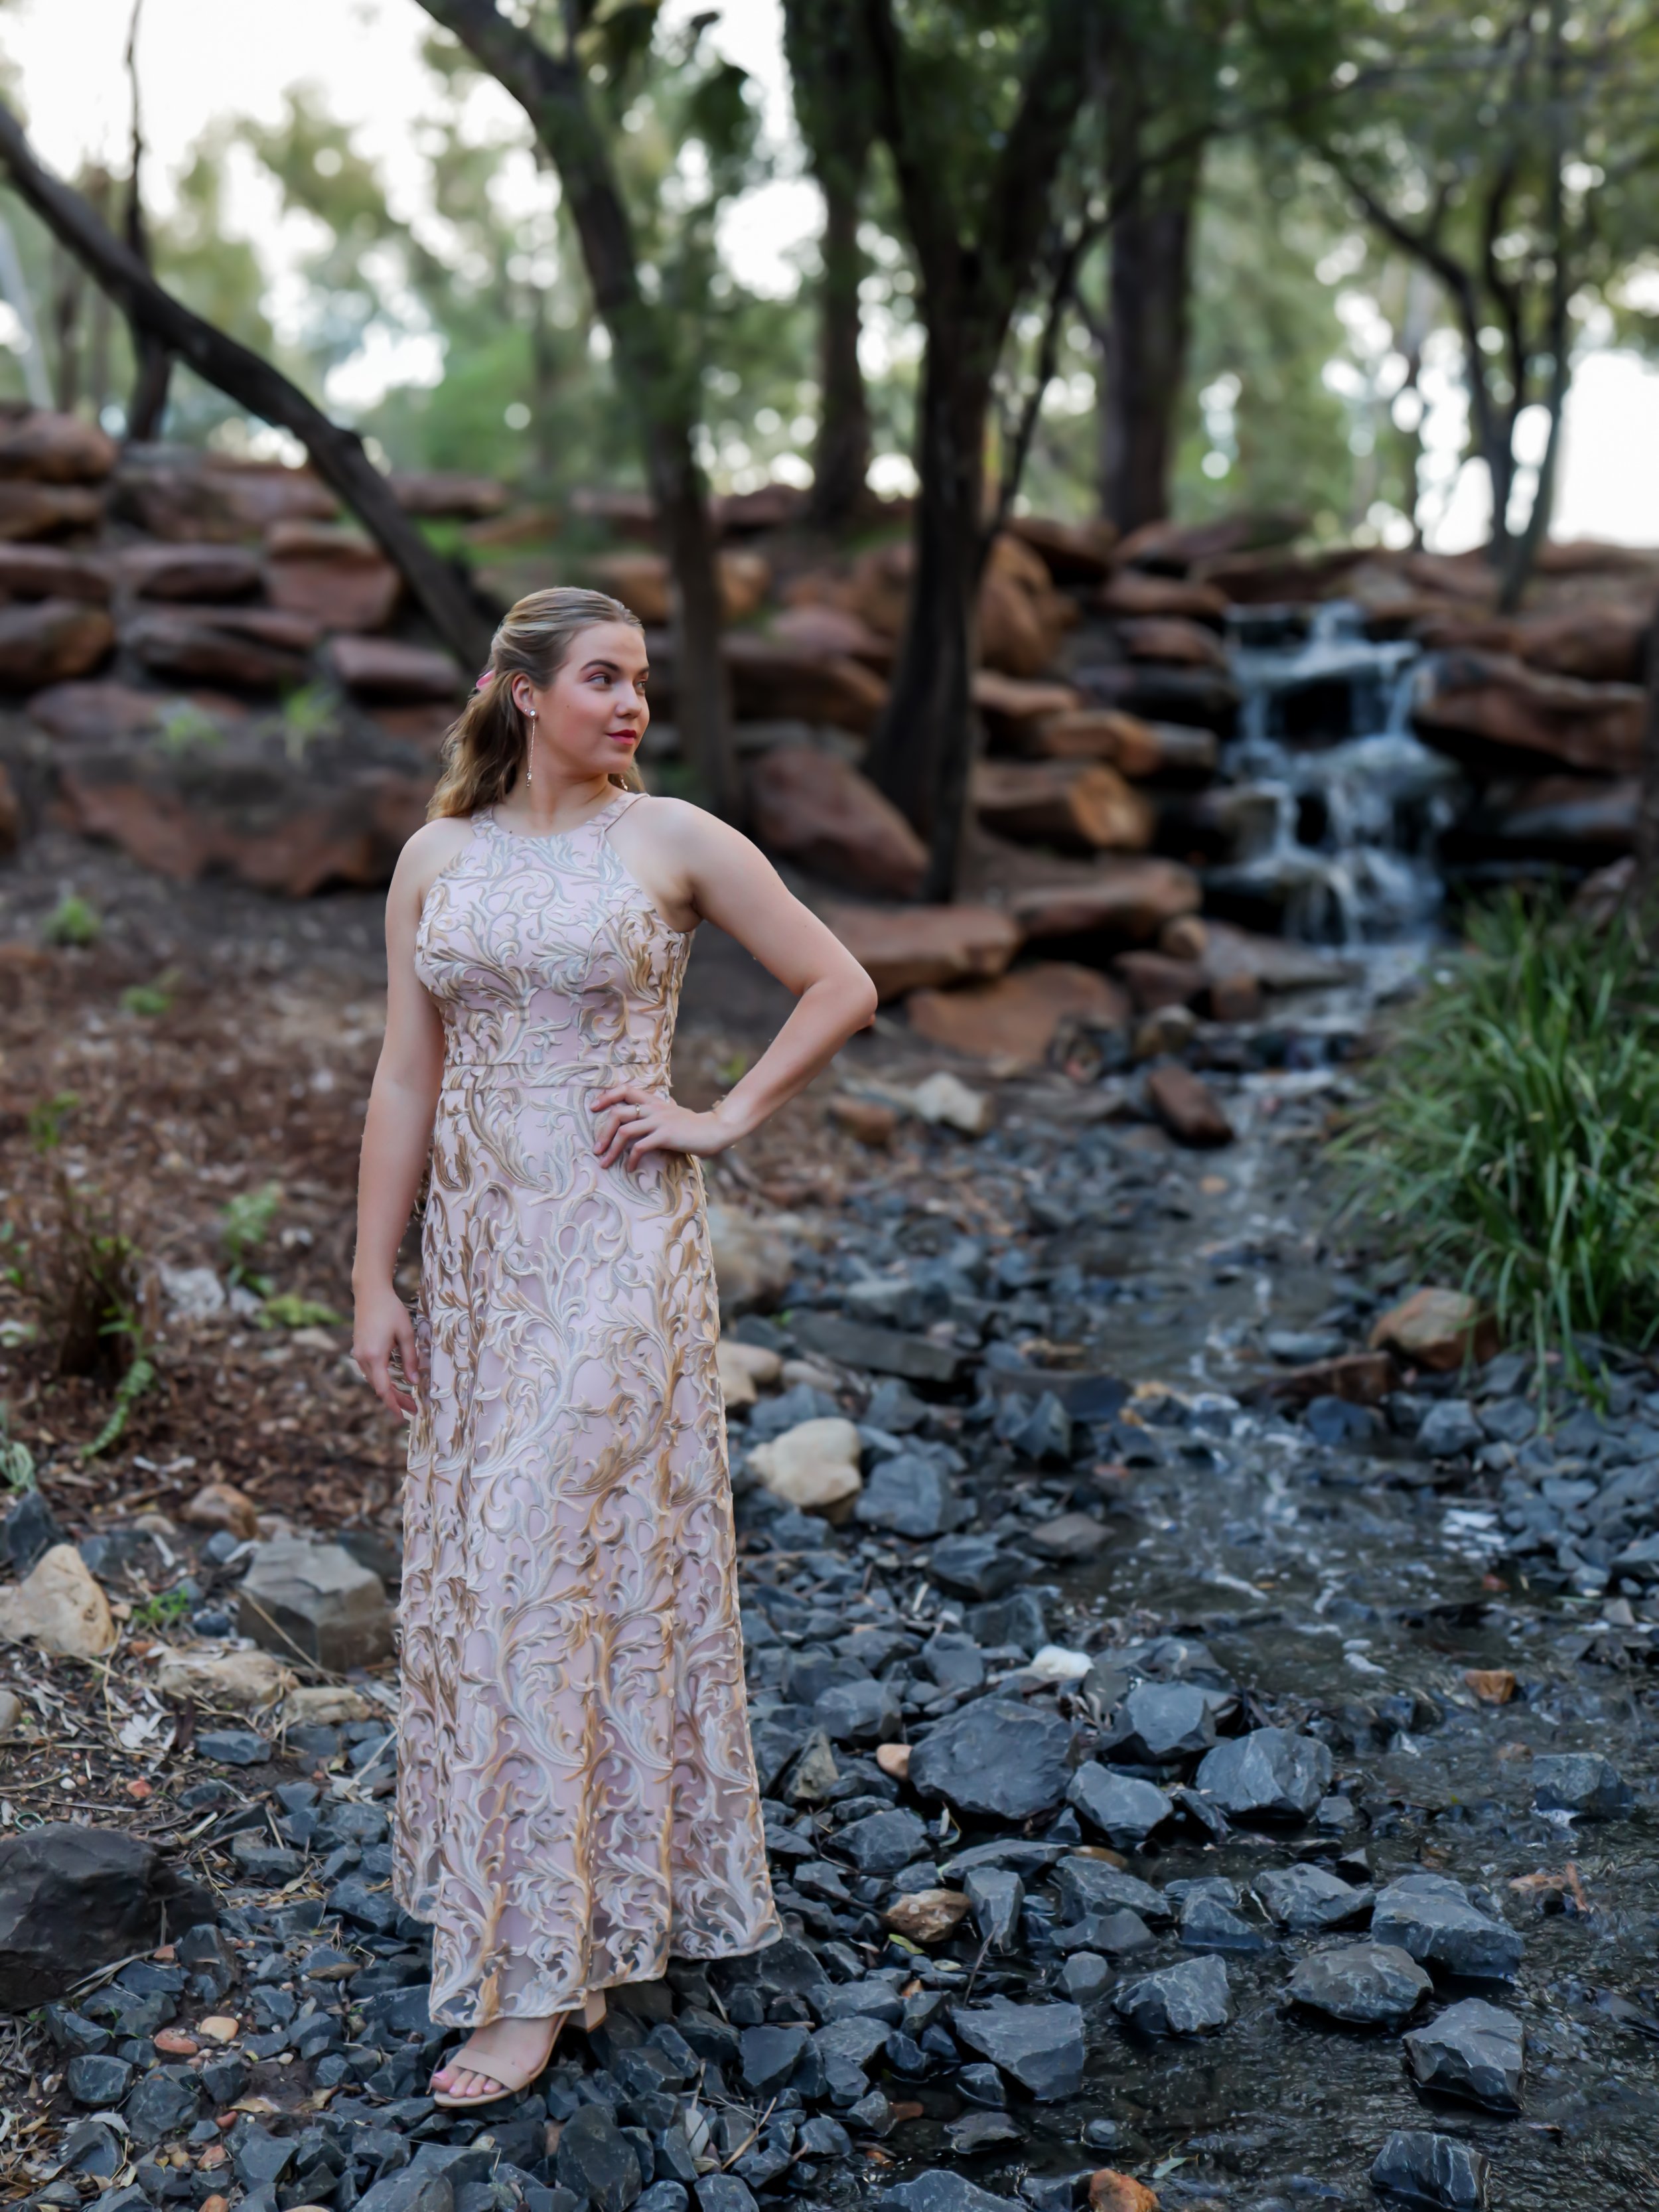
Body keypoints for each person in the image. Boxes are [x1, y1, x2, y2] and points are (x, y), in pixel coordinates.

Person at [351, 587, 878, 2107]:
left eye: (641, 679)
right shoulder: (434, 859)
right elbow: (404, 1071)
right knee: (523, 1573)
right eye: (601, 678)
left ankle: (532, 1984)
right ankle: (576, 1908)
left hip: (616, 1263)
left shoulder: (673, 839)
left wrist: (716, 1114)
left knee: (529, 1558)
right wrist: (372, 1279)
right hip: (480, 1265)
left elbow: (837, 982)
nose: (630, 704)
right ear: (518, 692)